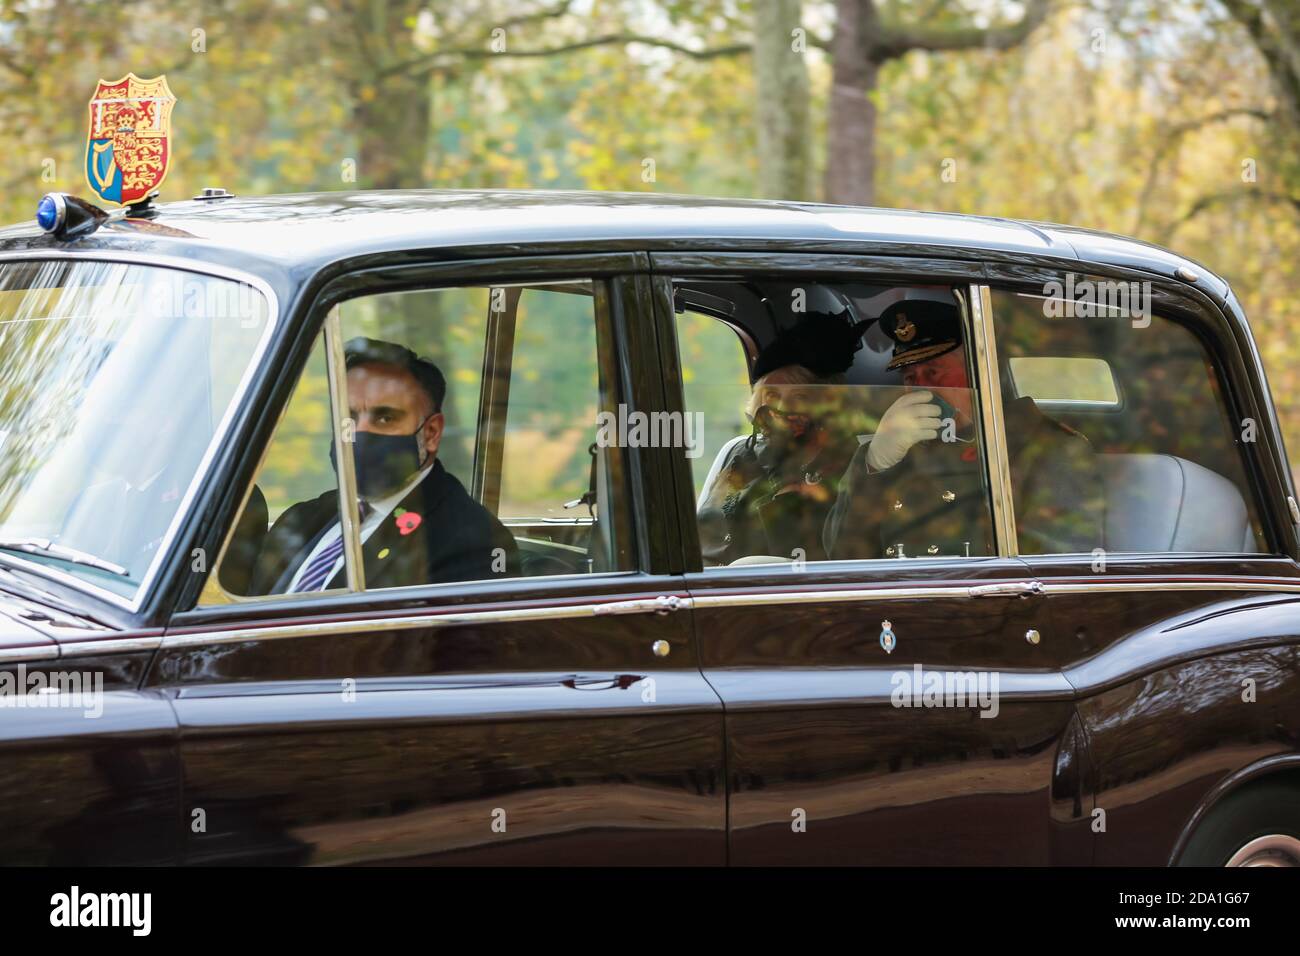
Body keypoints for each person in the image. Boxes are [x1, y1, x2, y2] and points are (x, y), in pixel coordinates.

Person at [824, 299, 1103, 559]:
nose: (922, 389)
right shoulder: (888, 449)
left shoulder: (1046, 448)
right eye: (910, 377)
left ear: (981, 375)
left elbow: (1056, 568)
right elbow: (840, 559)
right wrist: (874, 465)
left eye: (934, 373)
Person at [249, 337, 517, 593]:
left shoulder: (470, 542)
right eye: (348, 417)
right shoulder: (302, 519)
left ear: (432, 432)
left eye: (385, 418)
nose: (359, 433)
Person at [697, 306, 869, 565]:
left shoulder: (851, 462)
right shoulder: (738, 452)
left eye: (799, 397)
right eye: (772, 395)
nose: (782, 409)